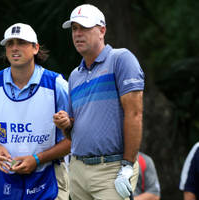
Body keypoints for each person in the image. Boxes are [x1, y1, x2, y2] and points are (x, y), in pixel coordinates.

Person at [0, 22, 71, 200]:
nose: (14, 48)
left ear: (35, 48)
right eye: (10, 43)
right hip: (6, 177)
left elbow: (75, 138)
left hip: (49, 175)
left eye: (21, 42)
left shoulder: (56, 85)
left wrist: (37, 159)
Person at [53, 4, 145, 200]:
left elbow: (135, 114)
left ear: (102, 30)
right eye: (74, 29)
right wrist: (66, 124)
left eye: (84, 28)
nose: (77, 34)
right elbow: (72, 131)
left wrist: (127, 166)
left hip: (111, 170)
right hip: (77, 170)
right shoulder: (74, 76)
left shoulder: (121, 59)